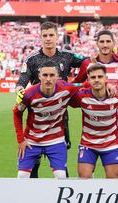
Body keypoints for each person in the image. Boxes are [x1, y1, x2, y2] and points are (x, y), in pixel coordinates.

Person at [15, 21, 88, 178]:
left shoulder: (67, 56)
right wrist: (19, 90)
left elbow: (88, 63)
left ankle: (62, 193)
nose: (48, 39)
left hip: (60, 115)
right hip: (37, 113)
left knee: (61, 161)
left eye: (51, 35)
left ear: (57, 37)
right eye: (45, 36)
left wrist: (76, 81)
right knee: (34, 163)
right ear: (40, 38)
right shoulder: (32, 59)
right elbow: (22, 80)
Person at [72, 30, 118, 178]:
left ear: (113, 43)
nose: (105, 45)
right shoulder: (88, 63)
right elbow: (77, 85)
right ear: (97, 43)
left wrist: (116, 90)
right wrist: (104, 84)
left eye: (108, 41)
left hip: (116, 122)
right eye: (102, 42)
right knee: (87, 169)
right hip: (93, 118)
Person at [13, 60, 80, 178]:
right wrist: (21, 140)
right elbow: (17, 113)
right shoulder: (28, 94)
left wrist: (107, 84)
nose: (48, 79)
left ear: (58, 76)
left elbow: (87, 84)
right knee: (22, 176)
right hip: (32, 141)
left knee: (61, 176)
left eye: (52, 75)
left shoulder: (66, 88)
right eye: (45, 75)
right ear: (39, 76)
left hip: (56, 141)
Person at [70, 64, 118, 179]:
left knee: (113, 179)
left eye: (100, 77)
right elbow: (65, 88)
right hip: (88, 144)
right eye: (93, 77)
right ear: (88, 79)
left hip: (110, 144)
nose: (97, 80)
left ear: (106, 78)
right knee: (84, 177)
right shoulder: (81, 96)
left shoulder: (117, 95)